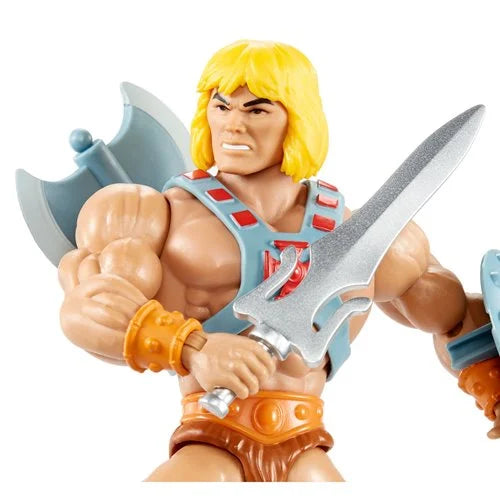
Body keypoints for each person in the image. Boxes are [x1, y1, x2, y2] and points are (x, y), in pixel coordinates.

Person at [57, 40, 500, 482]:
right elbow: (88, 306)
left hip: (306, 446)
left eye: (256, 110)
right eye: (221, 107)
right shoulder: (153, 213)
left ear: (297, 120)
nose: (233, 125)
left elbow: (455, 316)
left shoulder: (363, 235)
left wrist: (493, 385)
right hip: (210, 439)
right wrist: (194, 348)